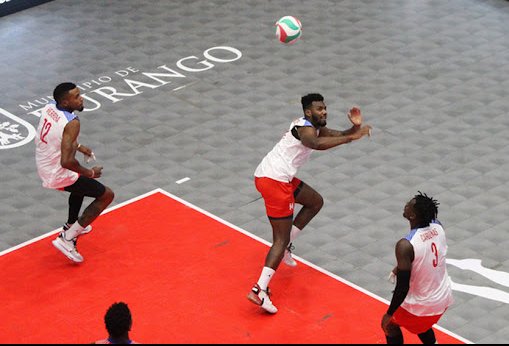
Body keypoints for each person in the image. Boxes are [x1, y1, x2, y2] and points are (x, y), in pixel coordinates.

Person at [247, 93, 372, 313]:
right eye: (319, 109)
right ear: (308, 112)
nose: (324, 112)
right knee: (280, 238)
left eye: (325, 108)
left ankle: (285, 247)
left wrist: (354, 129)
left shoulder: (314, 127)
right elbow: (315, 144)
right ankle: (260, 289)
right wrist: (352, 137)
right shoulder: (304, 129)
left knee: (315, 202)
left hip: (276, 177)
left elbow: (340, 135)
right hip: (274, 181)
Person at [35, 82, 114, 263]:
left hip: (44, 163)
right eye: (76, 97)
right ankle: (68, 239)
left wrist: (78, 147)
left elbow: (58, 137)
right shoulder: (73, 123)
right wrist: (90, 173)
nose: (81, 99)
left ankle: (71, 224)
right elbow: (67, 162)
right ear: (64, 103)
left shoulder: (49, 107)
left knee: (79, 184)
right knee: (107, 195)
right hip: (57, 173)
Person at [381, 191, 454, 344]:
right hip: (443, 300)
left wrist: (389, 313)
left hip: (421, 308)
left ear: (412, 216)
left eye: (409, 205)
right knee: (421, 325)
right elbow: (424, 253)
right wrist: (399, 267)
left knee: (390, 325)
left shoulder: (405, 245)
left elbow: (402, 287)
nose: (406, 204)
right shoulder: (438, 227)